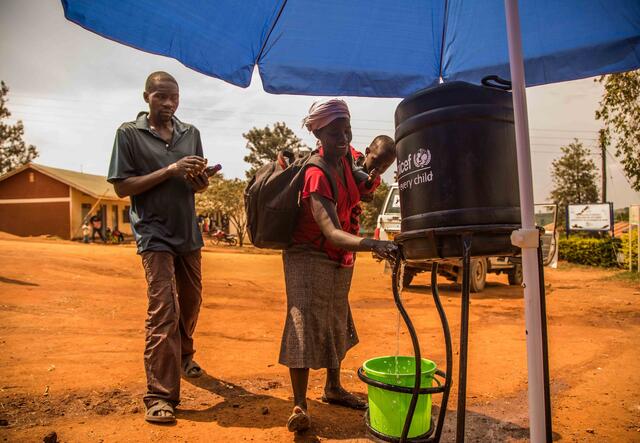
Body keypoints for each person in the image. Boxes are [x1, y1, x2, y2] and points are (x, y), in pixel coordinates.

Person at [279, 99, 397, 433]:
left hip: (340, 256)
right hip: (308, 254)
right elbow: (330, 231)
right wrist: (373, 243)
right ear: (318, 132)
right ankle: (300, 405)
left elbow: (359, 194)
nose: (343, 137)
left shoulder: (347, 160)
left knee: (336, 318)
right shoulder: (316, 173)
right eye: (334, 132)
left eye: (347, 130)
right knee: (301, 320)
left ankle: (333, 388)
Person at [107, 71, 210, 424]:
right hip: (154, 234)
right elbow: (123, 188)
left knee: (192, 299)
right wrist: (170, 170)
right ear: (146, 96)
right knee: (164, 308)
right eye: (161, 97)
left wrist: (200, 181)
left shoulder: (190, 133)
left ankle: (183, 354)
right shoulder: (128, 134)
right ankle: (159, 395)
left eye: (174, 98)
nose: (168, 104)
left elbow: (196, 186)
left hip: (188, 233)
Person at [349, 135, 396, 235]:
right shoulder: (355, 156)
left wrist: (369, 181)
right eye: (376, 160)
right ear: (367, 152)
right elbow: (347, 147)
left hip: (349, 214)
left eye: (385, 167)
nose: (379, 167)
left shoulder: (376, 180)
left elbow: (364, 191)